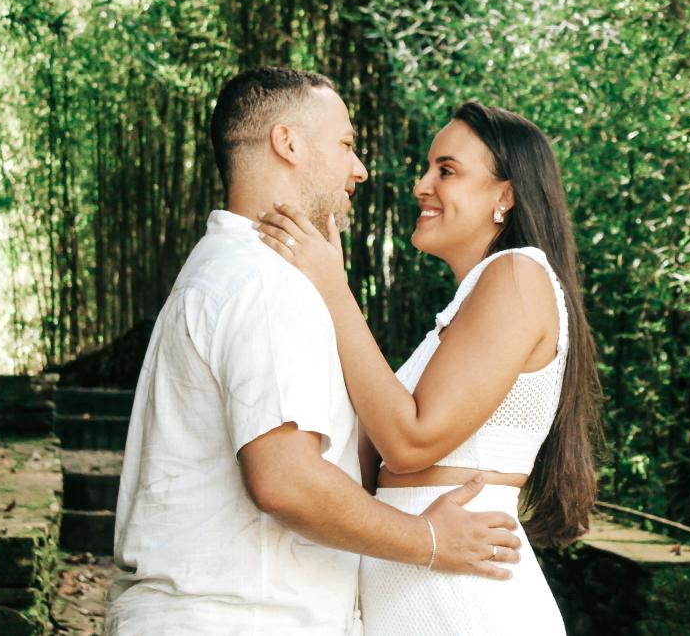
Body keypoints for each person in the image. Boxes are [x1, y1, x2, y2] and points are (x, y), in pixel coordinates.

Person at [105, 69, 524, 636]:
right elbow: (286, 479)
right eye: (347, 145)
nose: (360, 169)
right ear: (288, 142)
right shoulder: (263, 280)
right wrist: (429, 541)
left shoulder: (227, 266)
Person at [256, 101, 604, 635]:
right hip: (429, 592)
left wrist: (333, 287)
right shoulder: (462, 312)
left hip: (469, 603)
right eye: (428, 168)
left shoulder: (518, 275)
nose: (422, 185)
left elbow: (412, 442)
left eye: (447, 170)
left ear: (504, 196)